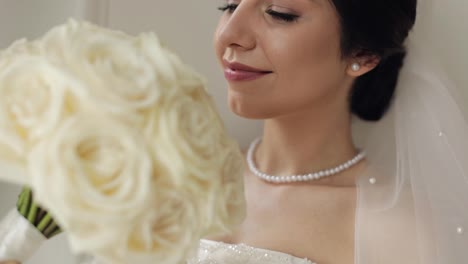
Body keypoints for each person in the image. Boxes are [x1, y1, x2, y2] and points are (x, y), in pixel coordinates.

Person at [2, 0, 468, 263]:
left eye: (280, 13)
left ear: (363, 55)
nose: (231, 35)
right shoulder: (154, 176)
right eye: (228, 4)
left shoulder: (398, 234)